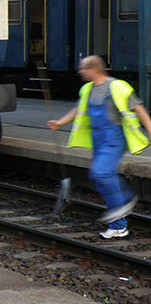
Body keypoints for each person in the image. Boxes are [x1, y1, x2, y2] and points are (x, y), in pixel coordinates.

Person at [48, 55, 151, 238]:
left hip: (114, 139)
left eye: (82, 68)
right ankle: (122, 211)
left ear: (94, 69)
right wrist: (60, 122)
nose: (79, 72)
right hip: (98, 140)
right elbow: (79, 109)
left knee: (100, 173)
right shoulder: (87, 89)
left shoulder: (117, 87)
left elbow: (140, 109)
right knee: (97, 177)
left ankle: (122, 212)